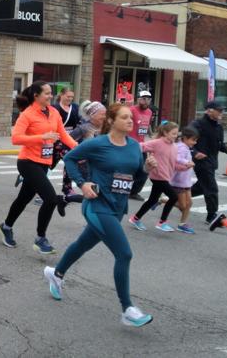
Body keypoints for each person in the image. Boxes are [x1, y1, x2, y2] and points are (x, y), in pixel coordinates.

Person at [44, 103, 156, 327]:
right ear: (112, 121)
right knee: (124, 254)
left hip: (118, 207)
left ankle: (56, 274)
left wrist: (147, 169)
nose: (130, 121)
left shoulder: (135, 146)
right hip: (97, 206)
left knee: (83, 243)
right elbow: (70, 159)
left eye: (130, 118)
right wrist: (82, 183)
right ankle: (127, 309)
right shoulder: (98, 143)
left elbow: (133, 175)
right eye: (124, 118)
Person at [0, 81, 76, 253]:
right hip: (27, 162)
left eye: (51, 93)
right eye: (47, 93)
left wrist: (82, 149)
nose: (50, 96)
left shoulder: (54, 112)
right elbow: (16, 138)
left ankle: (6, 226)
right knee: (50, 198)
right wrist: (43, 136)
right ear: (36, 96)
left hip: (44, 163)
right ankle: (41, 239)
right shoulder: (27, 114)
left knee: (23, 199)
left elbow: (63, 135)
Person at [128, 122, 186, 232]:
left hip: (165, 176)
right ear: (165, 133)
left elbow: (174, 163)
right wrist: (131, 154)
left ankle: (135, 219)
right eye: (173, 133)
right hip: (158, 176)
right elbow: (140, 146)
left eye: (176, 133)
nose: (176, 135)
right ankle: (162, 222)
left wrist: (185, 167)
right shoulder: (157, 143)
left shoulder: (174, 146)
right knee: (174, 197)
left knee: (152, 200)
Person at [191, 101, 227, 224]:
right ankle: (212, 216)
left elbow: (219, 144)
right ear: (209, 111)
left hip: (212, 162)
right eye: (219, 110)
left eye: (222, 110)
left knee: (201, 187)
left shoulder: (218, 127)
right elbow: (187, 140)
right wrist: (195, 153)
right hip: (201, 162)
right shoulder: (197, 124)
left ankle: (176, 195)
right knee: (211, 188)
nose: (222, 113)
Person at [167, 126, 199, 234]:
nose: (195, 142)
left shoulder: (186, 147)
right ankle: (163, 201)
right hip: (178, 181)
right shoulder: (181, 147)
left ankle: (182, 224)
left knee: (189, 203)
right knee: (183, 205)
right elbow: (177, 159)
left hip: (185, 181)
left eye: (196, 140)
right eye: (193, 140)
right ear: (185, 138)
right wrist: (187, 163)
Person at [127, 90, 154, 201]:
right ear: (139, 99)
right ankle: (121, 189)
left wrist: (151, 135)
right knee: (129, 169)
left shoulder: (149, 112)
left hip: (142, 145)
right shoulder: (131, 110)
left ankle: (134, 192)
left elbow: (147, 125)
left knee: (144, 170)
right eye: (144, 99)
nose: (146, 101)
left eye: (148, 99)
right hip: (129, 145)